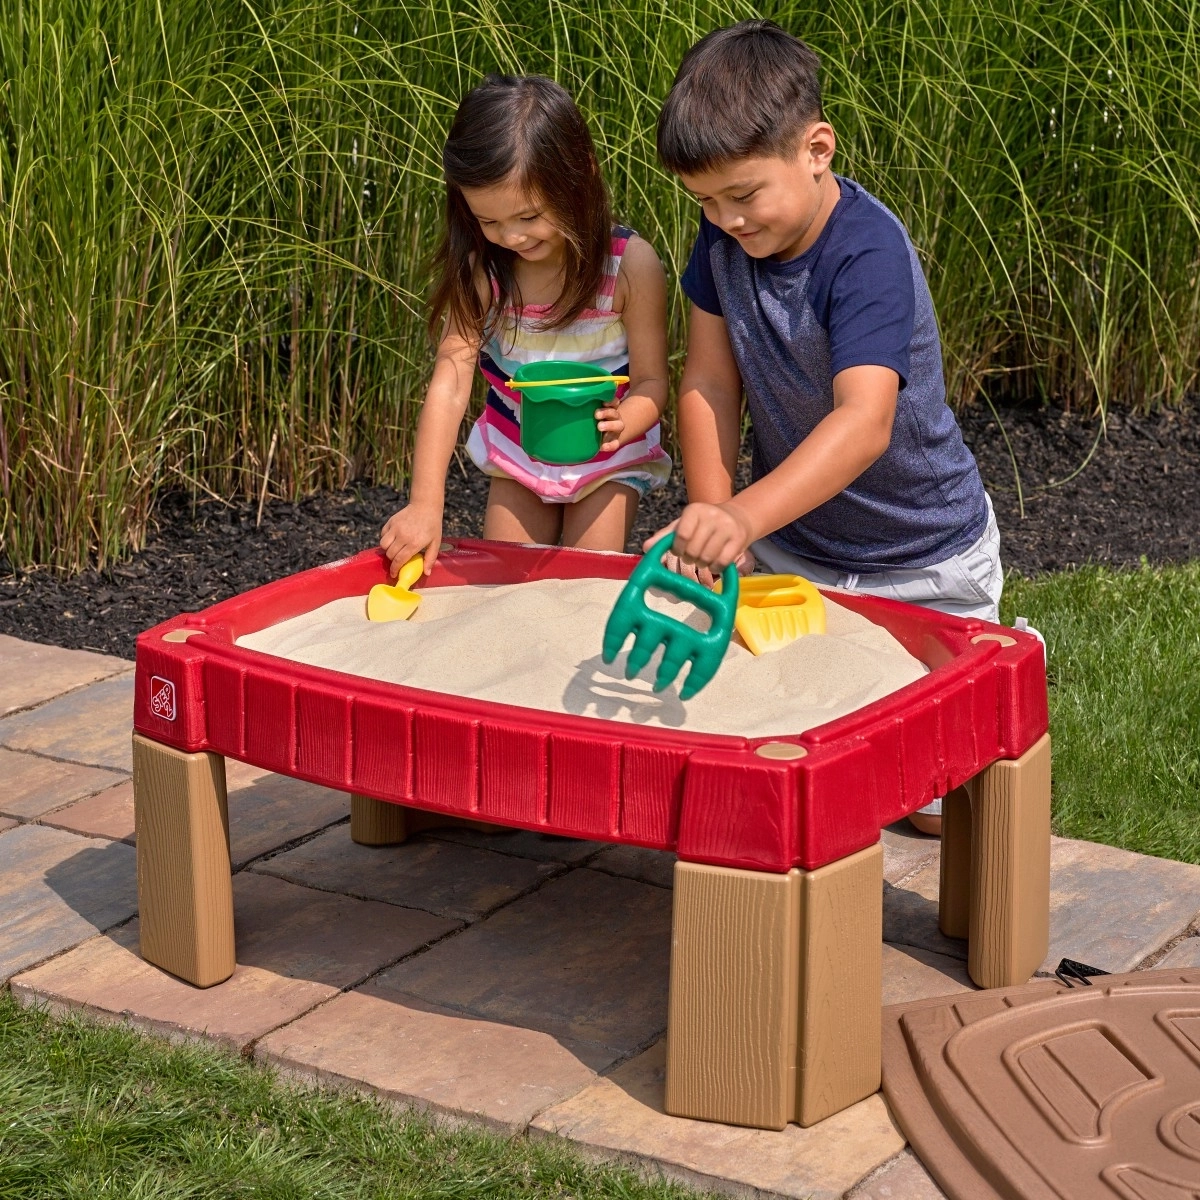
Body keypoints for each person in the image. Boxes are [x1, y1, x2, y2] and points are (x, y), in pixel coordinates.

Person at [653, 20, 1007, 835]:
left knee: (926, 812)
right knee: (776, 765)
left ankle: (999, 656)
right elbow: (707, 380)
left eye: (743, 196)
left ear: (817, 149)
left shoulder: (866, 255)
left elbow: (865, 422)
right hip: (796, 554)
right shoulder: (722, 240)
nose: (725, 219)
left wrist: (744, 512)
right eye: (704, 201)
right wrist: (718, 519)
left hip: (923, 556)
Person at [380, 74, 672, 578]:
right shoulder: (485, 271)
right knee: (508, 583)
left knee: (588, 579)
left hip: (607, 458)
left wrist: (631, 421)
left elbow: (652, 380)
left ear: (579, 175)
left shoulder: (629, 266)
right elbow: (451, 381)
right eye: (489, 222)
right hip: (517, 451)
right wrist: (426, 504)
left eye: (530, 216)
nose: (511, 237)